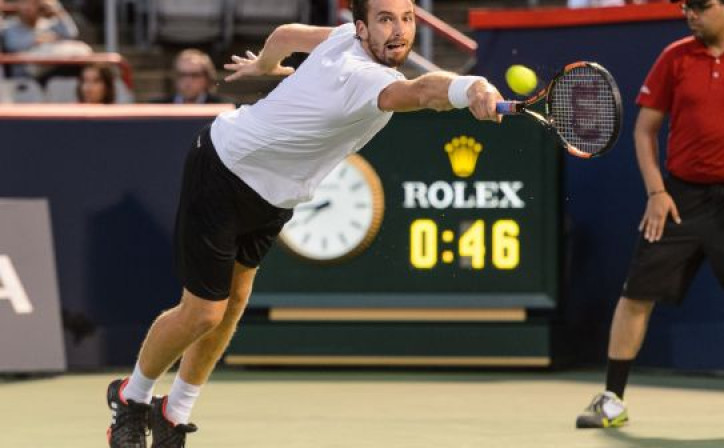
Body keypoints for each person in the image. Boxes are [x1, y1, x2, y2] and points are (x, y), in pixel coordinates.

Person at [105, 0, 504, 446]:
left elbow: (288, 34)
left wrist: (267, 65)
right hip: (223, 169)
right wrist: (470, 86)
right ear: (362, 28)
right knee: (203, 313)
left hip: (275, 196)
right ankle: (131, 396)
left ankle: (173, 413)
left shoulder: (339, 38)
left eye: (407, 19)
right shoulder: (363, 77)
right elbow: (426, 91)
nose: (399, 30)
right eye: (385, 19)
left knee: (234, 304)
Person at [576, 0, 724, 430]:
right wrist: (656, 191)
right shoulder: (674, 57)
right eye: (686, 6)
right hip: (679, 199)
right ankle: (611, 400)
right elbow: (645, 130)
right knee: (635, 295)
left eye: (701, 6)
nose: (690, 14)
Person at [0, 0, 89, 79]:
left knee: (82, 49)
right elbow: (11, 44)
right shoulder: (9, 26)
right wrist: (36, 40)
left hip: (52, 71)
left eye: (33, 3)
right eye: (24, 2)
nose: (27, 7)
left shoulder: (47, 23)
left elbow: (71, 33)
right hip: (24, 75)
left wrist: (57, 9)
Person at [149, 49, 232, 104]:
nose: (188, 81)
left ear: (207, 78)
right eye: (182, 75)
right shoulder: (157, 107)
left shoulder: (223, 107)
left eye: (195, 75)